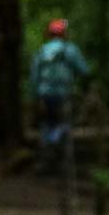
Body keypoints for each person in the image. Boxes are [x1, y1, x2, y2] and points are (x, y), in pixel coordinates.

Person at [28, 18, 89, 172]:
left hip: (44, 94)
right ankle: (58, 151)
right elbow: (84, 70)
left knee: (46, 123)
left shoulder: (42, 51)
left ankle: (46, 155)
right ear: (64, 34)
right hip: (63, 93)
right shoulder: (70, 50)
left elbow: (34, 75)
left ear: (49, 34)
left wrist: (35, 95)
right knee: (63, 122)